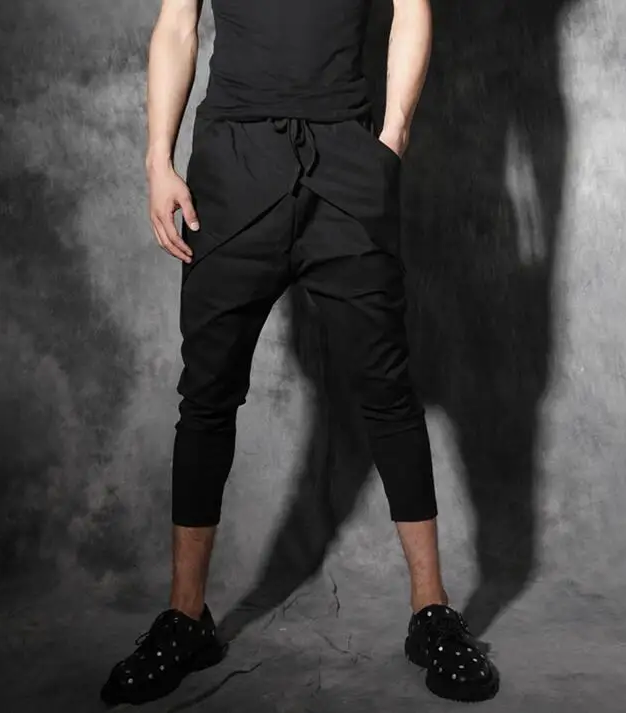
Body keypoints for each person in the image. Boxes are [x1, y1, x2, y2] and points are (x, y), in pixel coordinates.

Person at [100, 0, 500, 706]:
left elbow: (412, 8)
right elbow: (176, 25)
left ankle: (431, 611)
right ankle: (186, 617)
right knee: (207, 394)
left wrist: (392, 138)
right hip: (232, 166)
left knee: (388, 391)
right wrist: (157, 159)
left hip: (346, 162)